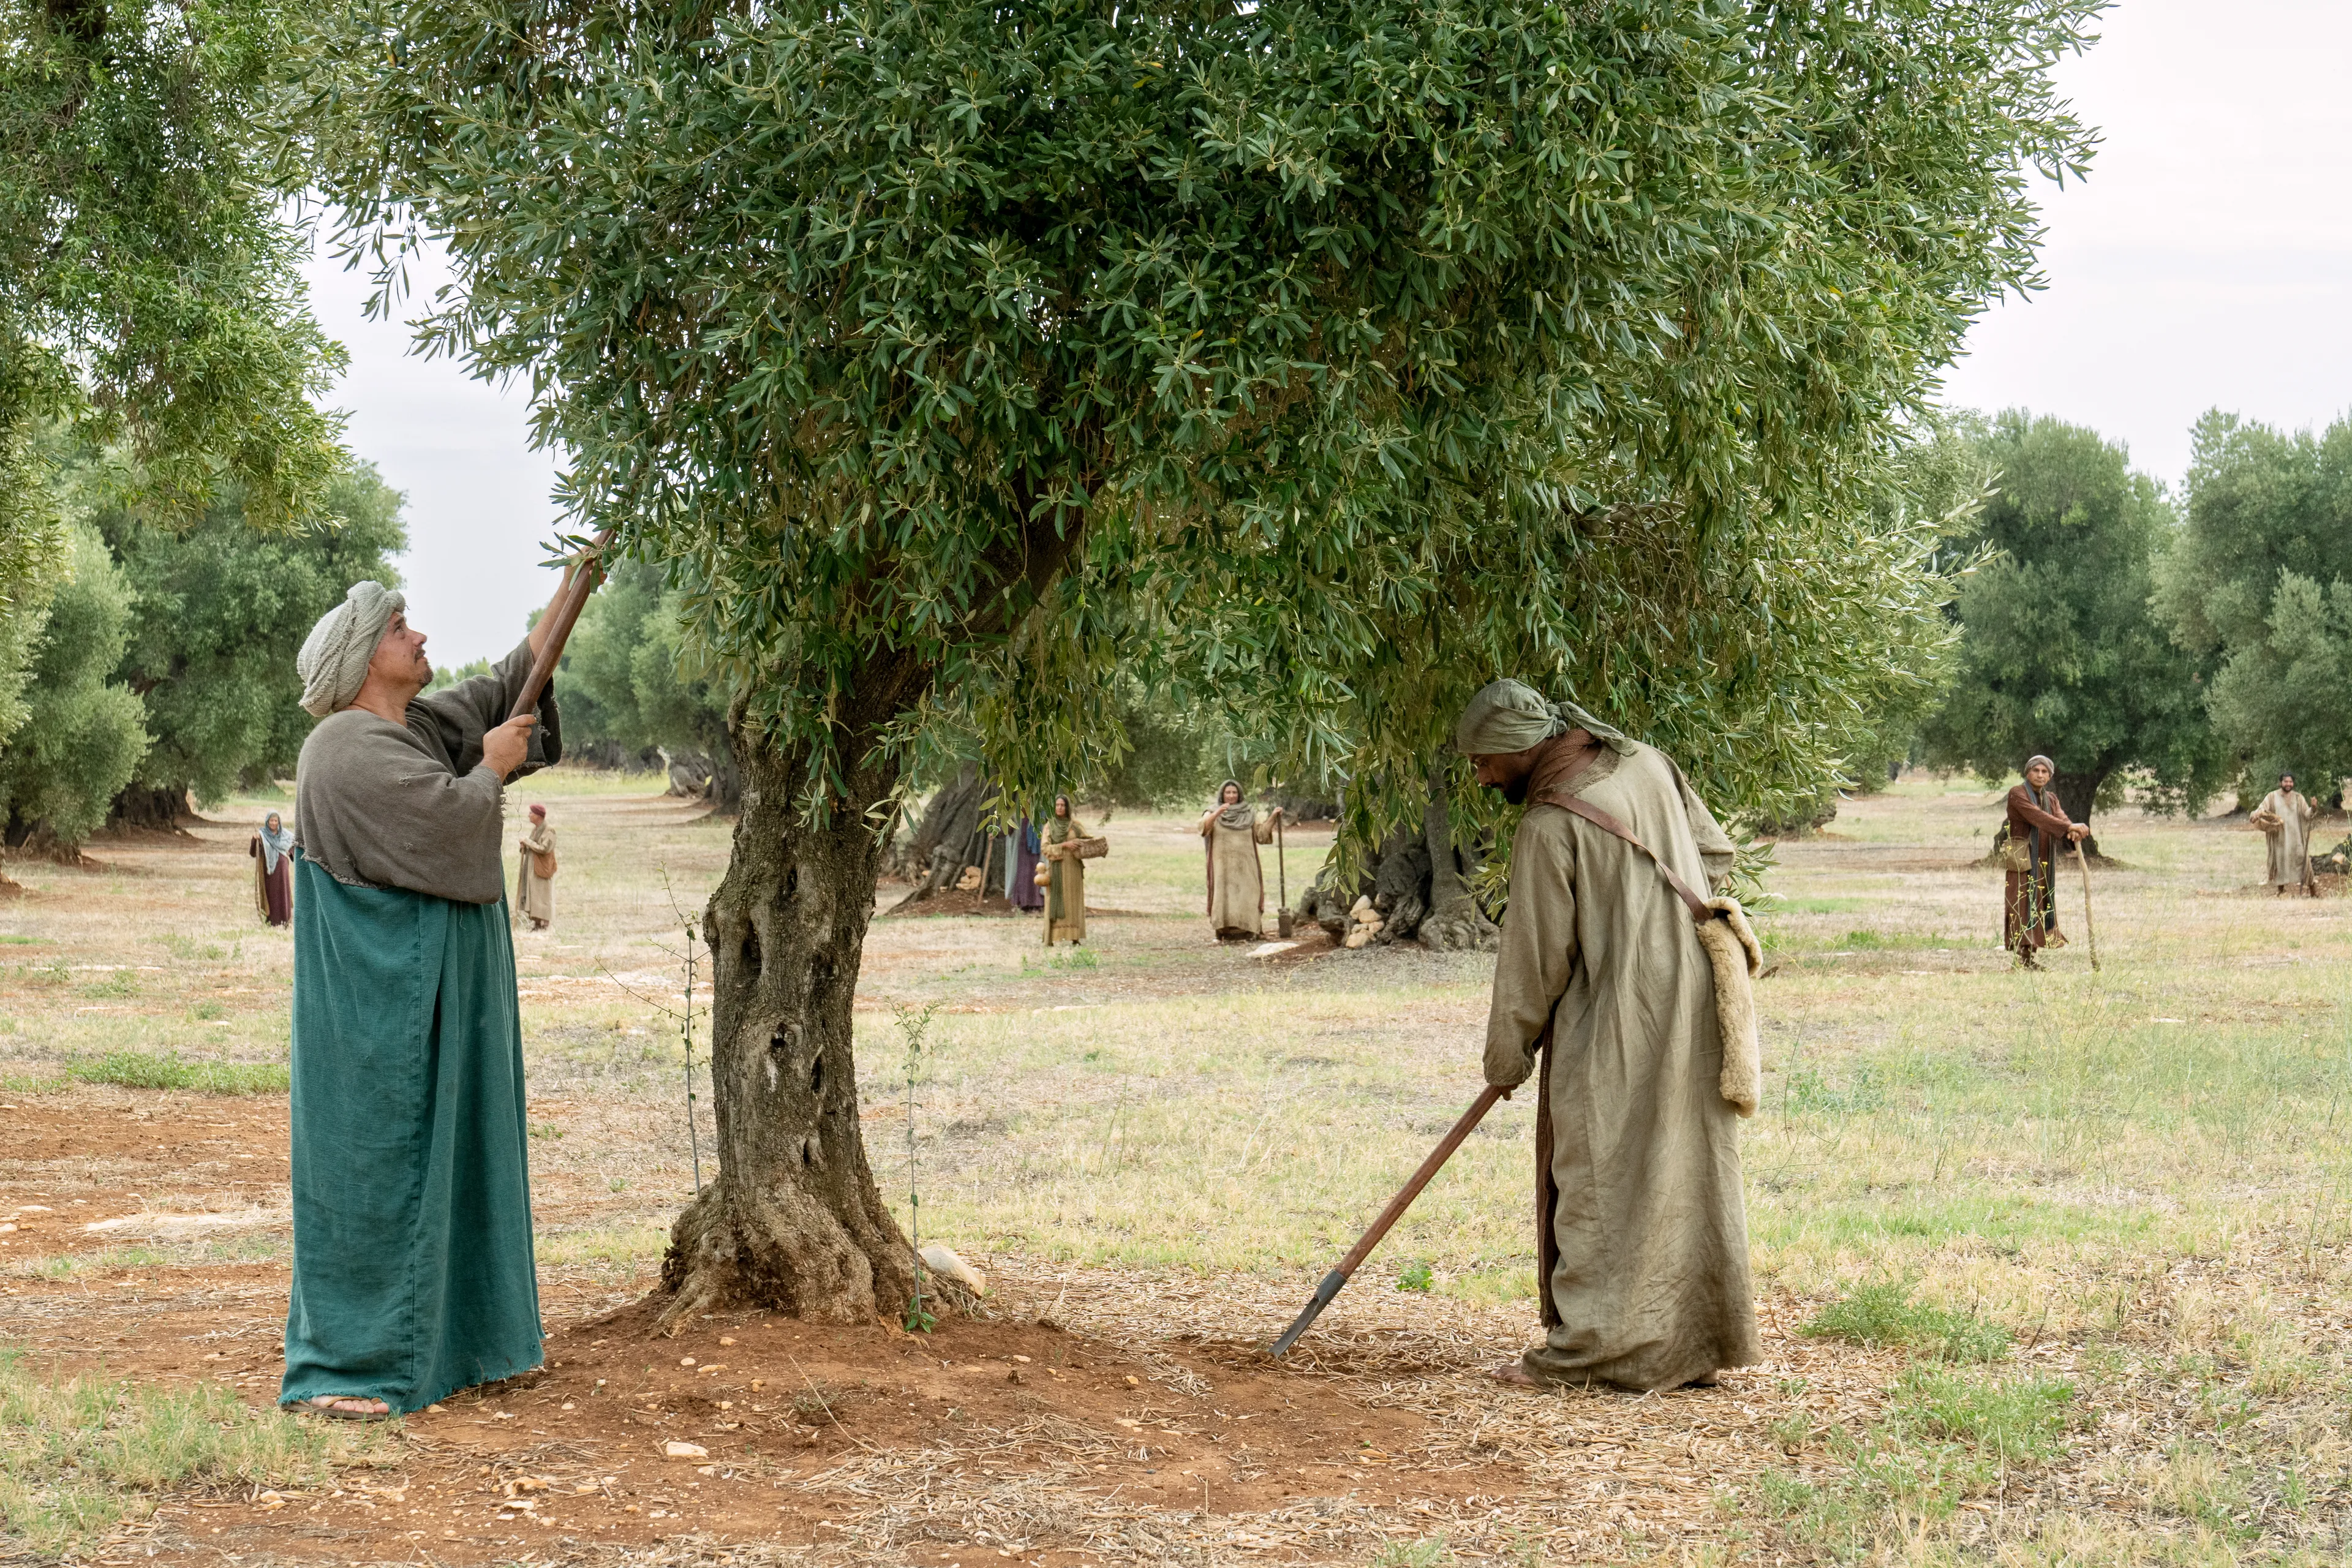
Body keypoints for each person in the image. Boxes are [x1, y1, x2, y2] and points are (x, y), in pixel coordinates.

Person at [279, 571, 572, 1420]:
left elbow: (516, 678)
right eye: (401, 628)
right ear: (367, 656)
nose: (420, 637)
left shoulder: (406, 729)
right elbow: (449, 823)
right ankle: (352, 1368)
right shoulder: (344, 747)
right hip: (384, 1016)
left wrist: (575, 581)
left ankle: (466, 1341)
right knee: (383, 1168)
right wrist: (491, 768)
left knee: (458, 1159)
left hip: (435, 997)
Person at [1458, 678, 1758, 1392]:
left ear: (1516, 748)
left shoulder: (1550, 825)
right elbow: (1713, 854)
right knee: (1684, 1162)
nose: (1481, 776)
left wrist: (1507, 1056)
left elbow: (1533, 960)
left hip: (1624, 1007)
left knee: (1598, 1165)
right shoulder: (1645, 762)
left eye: (1483, 761)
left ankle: (1594, 1348)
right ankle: (1686, 1343)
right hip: (1695, 990)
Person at [2003, 755, 2086, 968]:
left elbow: (2060, 817)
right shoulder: (2017, 794)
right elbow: (2038, 817)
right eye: (2036, 771)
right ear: (2027, 772)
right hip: (2023, 857)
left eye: (2045, 772)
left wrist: (2074, 830)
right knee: (2021, 902)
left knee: (2040, 902)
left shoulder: (2051, 799)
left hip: (2044, 858)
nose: (2040, 775)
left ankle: (2030, 958)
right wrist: (2069, 828)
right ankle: (2021, 957)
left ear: (2050, 776)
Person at [1200, 780, 1282, 940]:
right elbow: (1203, 828)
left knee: (1249, 894)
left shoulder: (1249, 813)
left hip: (1246, 865)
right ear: (1222, 795)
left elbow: (1261, 835)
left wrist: (1273, 817)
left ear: (1239, 795)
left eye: (1234, 793)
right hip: (1222, 866)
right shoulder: (1212, 811)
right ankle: (1224, 931)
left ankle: (1251, 930)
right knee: (1224, 897)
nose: (1231, 796)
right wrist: (1217, 813)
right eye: (1228, 793)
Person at [2250, 772, 2318, 897]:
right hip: (2279, 837)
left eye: (2291, 782)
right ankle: (2281, 891)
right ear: (2280, 783)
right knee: (2280, 861)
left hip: (2297, 836)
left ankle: (2313, 891)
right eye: (2286, 782)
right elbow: (2262, 809)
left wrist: (2313, 808)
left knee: (2304, 860)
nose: (2288, 784)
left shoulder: (2299, 797)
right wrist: (2255, 815)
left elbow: (2307, 814)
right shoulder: (2272, 797)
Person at [1040, 795, 1088, 944]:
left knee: (1074, 902)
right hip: (1057, 869)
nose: (1060, 808)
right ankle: (1053, 938)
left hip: (1073, 868)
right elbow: (1045, 848)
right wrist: (1064, 845)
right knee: (1056, 901)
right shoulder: (1050, 826)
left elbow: (1087, 842)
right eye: (1057, 805)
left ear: (1068, 808)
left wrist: (1081, 844)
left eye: (1063, 805)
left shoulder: (1076, 825)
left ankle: (1075, 937)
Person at [514, 803, 557, 929]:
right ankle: (537, 924)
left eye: (531, 813)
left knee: (543, 895)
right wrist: (524, 847)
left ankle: (545, 924)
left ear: (538, 816)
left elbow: (545, 849)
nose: (529, 815)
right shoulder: (536, 829)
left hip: (542, 868)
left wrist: (528, 842)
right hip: (532, 868)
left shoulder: (549, 830)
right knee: (534, 895)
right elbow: (533, 847)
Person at [249, 811, 295, 927]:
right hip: (269, 870)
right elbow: (253, 853)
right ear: (267, 822)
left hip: (282, 868)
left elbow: (293, 846)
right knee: (271, 893)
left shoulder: (285, 835)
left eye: (276, 821)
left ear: (279, 822)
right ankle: (272, 921)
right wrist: (256, 840)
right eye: (271, 821)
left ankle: (286, 920)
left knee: (283, 890)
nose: (274, 823)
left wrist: (290, 853)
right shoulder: (262, 834)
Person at [1009, 816, 1044, 913]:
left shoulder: (1041, 814)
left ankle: (1038, 903)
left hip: (1038, 850)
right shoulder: (1017, 816)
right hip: (1023, 850)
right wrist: (996, 833)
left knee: (1038, 874)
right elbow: (1008, 826)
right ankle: (1023, 903)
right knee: (1023, 875)